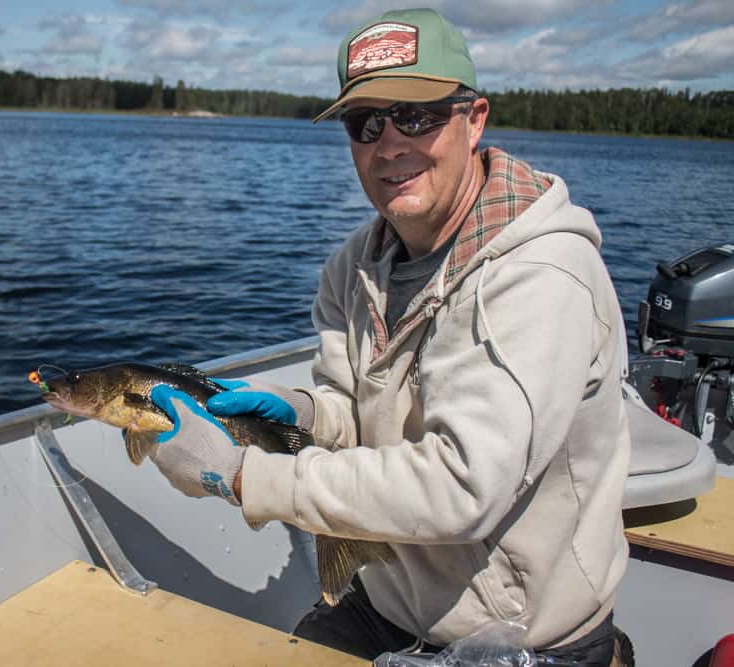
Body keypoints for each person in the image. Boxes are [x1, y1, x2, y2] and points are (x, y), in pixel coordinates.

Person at [146, 8, 632, 666]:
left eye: (418, 115)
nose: (390, 144)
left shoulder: (543, 277)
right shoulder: (353, 268)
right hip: (387, 607)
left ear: (475, 118)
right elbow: (356, 411)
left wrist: (242, 476)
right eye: (366, 123)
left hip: (528, 640)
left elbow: (462, 486)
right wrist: (307, 410)